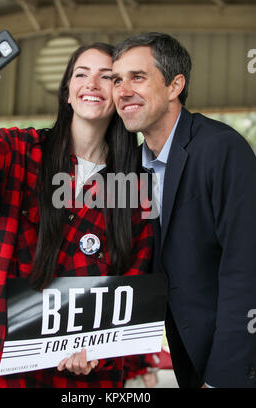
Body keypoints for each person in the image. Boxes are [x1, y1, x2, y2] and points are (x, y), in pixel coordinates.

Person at [0, 42, 154, 388]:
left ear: (120, 95)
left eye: (106, 77)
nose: (91, 84)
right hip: (5, 372)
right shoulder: (20, 153)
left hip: (85, 378)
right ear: (67, 92)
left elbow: (135, 278)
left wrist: (99, 348)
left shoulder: (135, 184)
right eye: (81, 74)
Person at [111, 32, 256, 388]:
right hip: (188, 357)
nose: (122, 90)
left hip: (232, 365)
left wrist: (224, 378)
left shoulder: (221, 149)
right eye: (117, 79)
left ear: (175, 85)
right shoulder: (132, 169)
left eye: (137, 77)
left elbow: (246, 268)